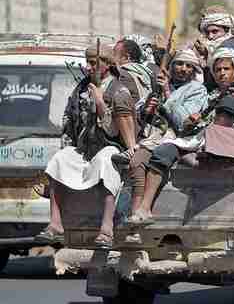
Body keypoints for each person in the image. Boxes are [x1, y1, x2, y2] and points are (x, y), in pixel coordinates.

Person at [35, 40, 147, 248]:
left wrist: (100, 102)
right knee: (60, 158)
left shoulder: (119, 90)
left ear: (107, 64)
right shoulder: (82, 87)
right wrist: (69, 141)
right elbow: (70, 118)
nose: (89, 67)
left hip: (111, 145)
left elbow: (115, 130)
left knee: (106, 161)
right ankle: (56, 224)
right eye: (88, 63)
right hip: (86, 147)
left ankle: (106, 228)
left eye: (94, 63)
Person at [118, 48, 209, 226]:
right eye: (179, 64)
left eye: (188, 66)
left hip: (181, 138)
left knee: (161, 154)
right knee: (137, 162)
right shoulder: (158, 86)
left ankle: (145, 208)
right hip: (154, 135)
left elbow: (184, 122)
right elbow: (144, 118)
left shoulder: (197, 90)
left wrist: (167, 93)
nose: (183, 68)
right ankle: (136, 214)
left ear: (194, 70)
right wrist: (148, 110)